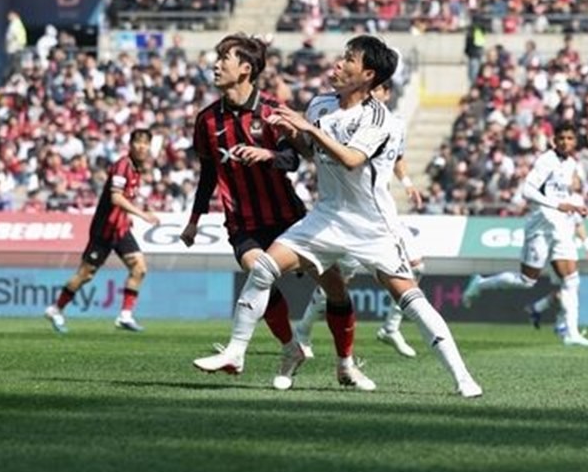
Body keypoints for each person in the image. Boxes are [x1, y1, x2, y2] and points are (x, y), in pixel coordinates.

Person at [193, 36, 482, 398]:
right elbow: (311, 153)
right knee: (264, 267)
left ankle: (462, 377)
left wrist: (308, 129)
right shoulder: (321, 104)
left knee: (410, 299)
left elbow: (351, 159)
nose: (338, 63)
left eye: (349, 59)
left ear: (368, 74)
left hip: (371, 225)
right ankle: (236, 352)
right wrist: (293, 134)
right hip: (327, 216)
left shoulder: (379, 118)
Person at [181, 34, 364, 391]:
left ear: (245, 69)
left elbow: (292, 160)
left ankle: (346, 363)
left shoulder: (271, 110)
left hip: (287, 218)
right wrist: (193, 221)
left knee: (335, 287)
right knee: (257, 271)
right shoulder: (206, 120)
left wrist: (268, 156)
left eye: (223, 59)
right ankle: (290, 347)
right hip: (242, 222)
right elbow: (208, 174)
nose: (215, 65)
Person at [292, 79, 425, 359]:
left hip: (382, 213)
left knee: (417, 266)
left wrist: (407, 183)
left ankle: (391, 327)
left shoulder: (394, 124)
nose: (371, 94)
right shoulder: (352, 119)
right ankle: (303, 330)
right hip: (350, 214)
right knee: (338, 281)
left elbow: (397, 157)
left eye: (377, 89)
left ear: (387, 93)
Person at [461, 123, 588, 347]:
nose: (565, 142)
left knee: (571, 280)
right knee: (526, 281)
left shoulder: (572, 163)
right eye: (561, 138)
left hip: (561, 227)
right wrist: (558, 205)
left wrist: (574, 207)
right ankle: (481, 282)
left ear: (575, 141)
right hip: (540, 225)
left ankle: (571, 333)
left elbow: (562, 194)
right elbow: (527, 190)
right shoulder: (546, 160)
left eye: (570, 138)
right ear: (554, 140)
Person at [45, 129, 161, 333]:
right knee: (85, 275)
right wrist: (142, 214)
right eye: (138, 142)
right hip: (104, 229)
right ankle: (56, 309)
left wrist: (130, 216)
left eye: (146, 143)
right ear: (130, 145)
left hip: (120, 229)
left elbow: (126, 198)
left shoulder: (137, 169)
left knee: (139, 268)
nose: (142, 147)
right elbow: (116, 198)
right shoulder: (122, 165)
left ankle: (125, 316)